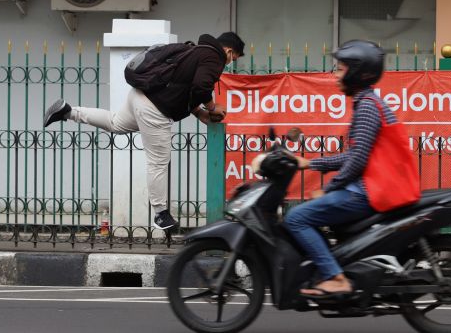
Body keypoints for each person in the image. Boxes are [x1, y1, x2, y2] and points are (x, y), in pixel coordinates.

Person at [43, 32, 245, 230]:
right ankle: (161, 214)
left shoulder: (196, 50)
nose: (230, 63)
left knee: (115, 123)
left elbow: (183, 88)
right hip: (155, 109)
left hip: (140, 96)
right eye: (233, 58)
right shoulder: (214, 57)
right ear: (228, 50)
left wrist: (199, 113)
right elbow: (201, 87)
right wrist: (212, 107)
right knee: (158, 161)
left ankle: (68, 111)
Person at [285, 40, 397, 298]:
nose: (334, 75)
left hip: (368, 191)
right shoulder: (367, 103)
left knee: (297, 218)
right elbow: (354, 155)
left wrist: (329, 188)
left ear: (357, 72)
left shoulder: (367, 107)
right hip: (370, 187)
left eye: (339, 69)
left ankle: (335, 277)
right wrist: (310, 163)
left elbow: (357, 161)